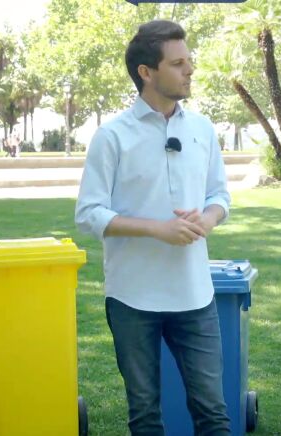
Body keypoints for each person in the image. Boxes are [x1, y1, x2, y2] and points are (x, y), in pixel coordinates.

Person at [75, 20, 231, 436]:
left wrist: (208, 219)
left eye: (188, 61)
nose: (190, 70)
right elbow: (89, 213)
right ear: (146, 71)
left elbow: (220, 196)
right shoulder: (112, 136)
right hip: (132, 297)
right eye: (178, 64)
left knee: (214, 412)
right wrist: (156, 229)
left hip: (194, 294)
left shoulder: (202, 130)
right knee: (144, 414)